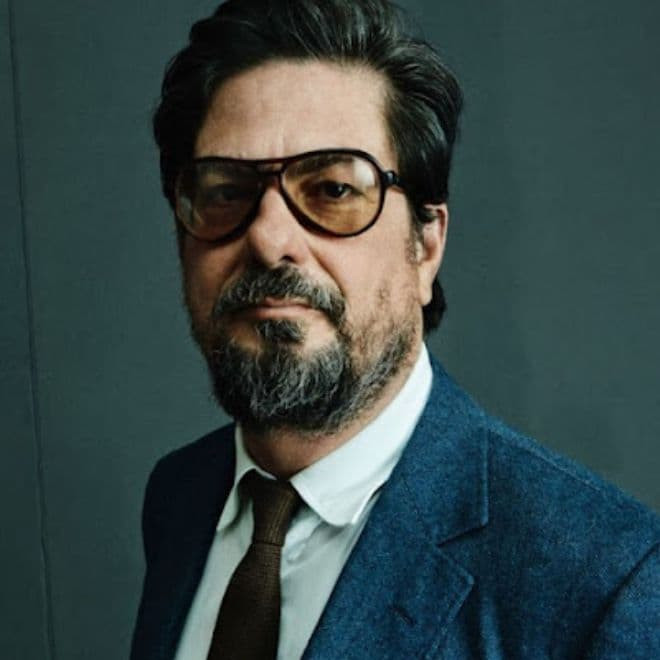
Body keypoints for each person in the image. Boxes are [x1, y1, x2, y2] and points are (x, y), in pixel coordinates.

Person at [131, 1, 660, 658]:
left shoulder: (604, 582)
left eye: (332, 189)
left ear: (426, 245)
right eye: (225, 191)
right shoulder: (180, 497)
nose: (269, 238)